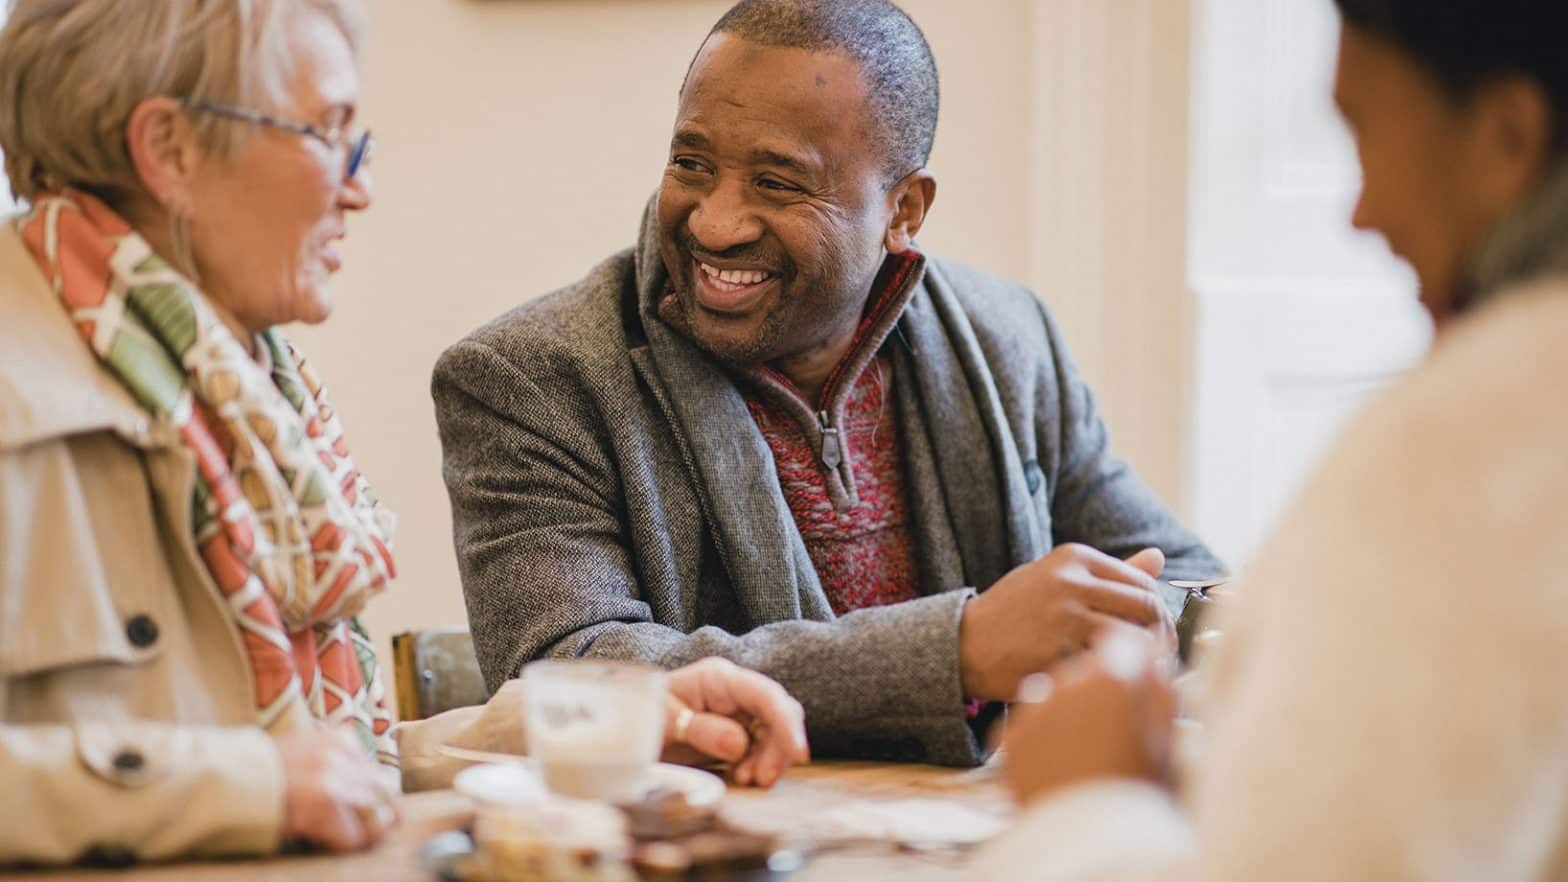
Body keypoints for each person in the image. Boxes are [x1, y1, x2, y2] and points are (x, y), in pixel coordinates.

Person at [0, 0, 804, 865]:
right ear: (169, 151)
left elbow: (329, 760)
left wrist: (615, 723)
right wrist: (245, 785)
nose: (360, 184)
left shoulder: (241, 392)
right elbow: (254, 772)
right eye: (326, 131)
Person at [434, 0, 1223, 771]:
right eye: (692, 163)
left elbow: (1173, 578)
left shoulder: (1009, 337)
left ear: (903, 209)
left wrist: (1160, 621)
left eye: (778, 183)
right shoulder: (528, 378)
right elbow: (567, 671)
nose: (716, 222)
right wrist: (956, 651)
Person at [971, 1, 1568, 879]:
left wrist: (1086, 797)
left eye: (1363, 130)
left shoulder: (1476, 446)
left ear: (1506, 140)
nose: (1362, 211)